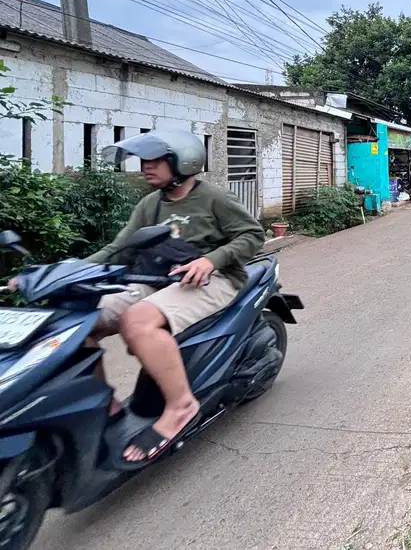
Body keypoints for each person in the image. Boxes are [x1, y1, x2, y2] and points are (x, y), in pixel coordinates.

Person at [13, 130, 265, 466]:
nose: (146, 167)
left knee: (137, 320)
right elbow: (118, 249)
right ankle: (107, 404)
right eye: (144, 161)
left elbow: (252, 235)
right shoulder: (150, 204)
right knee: (76, 321)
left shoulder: (214, 198)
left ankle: (181, 406)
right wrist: (56, 274)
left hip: (212, 278)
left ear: (182, 162)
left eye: (154, 161)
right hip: (157, 277)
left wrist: (211, 260)